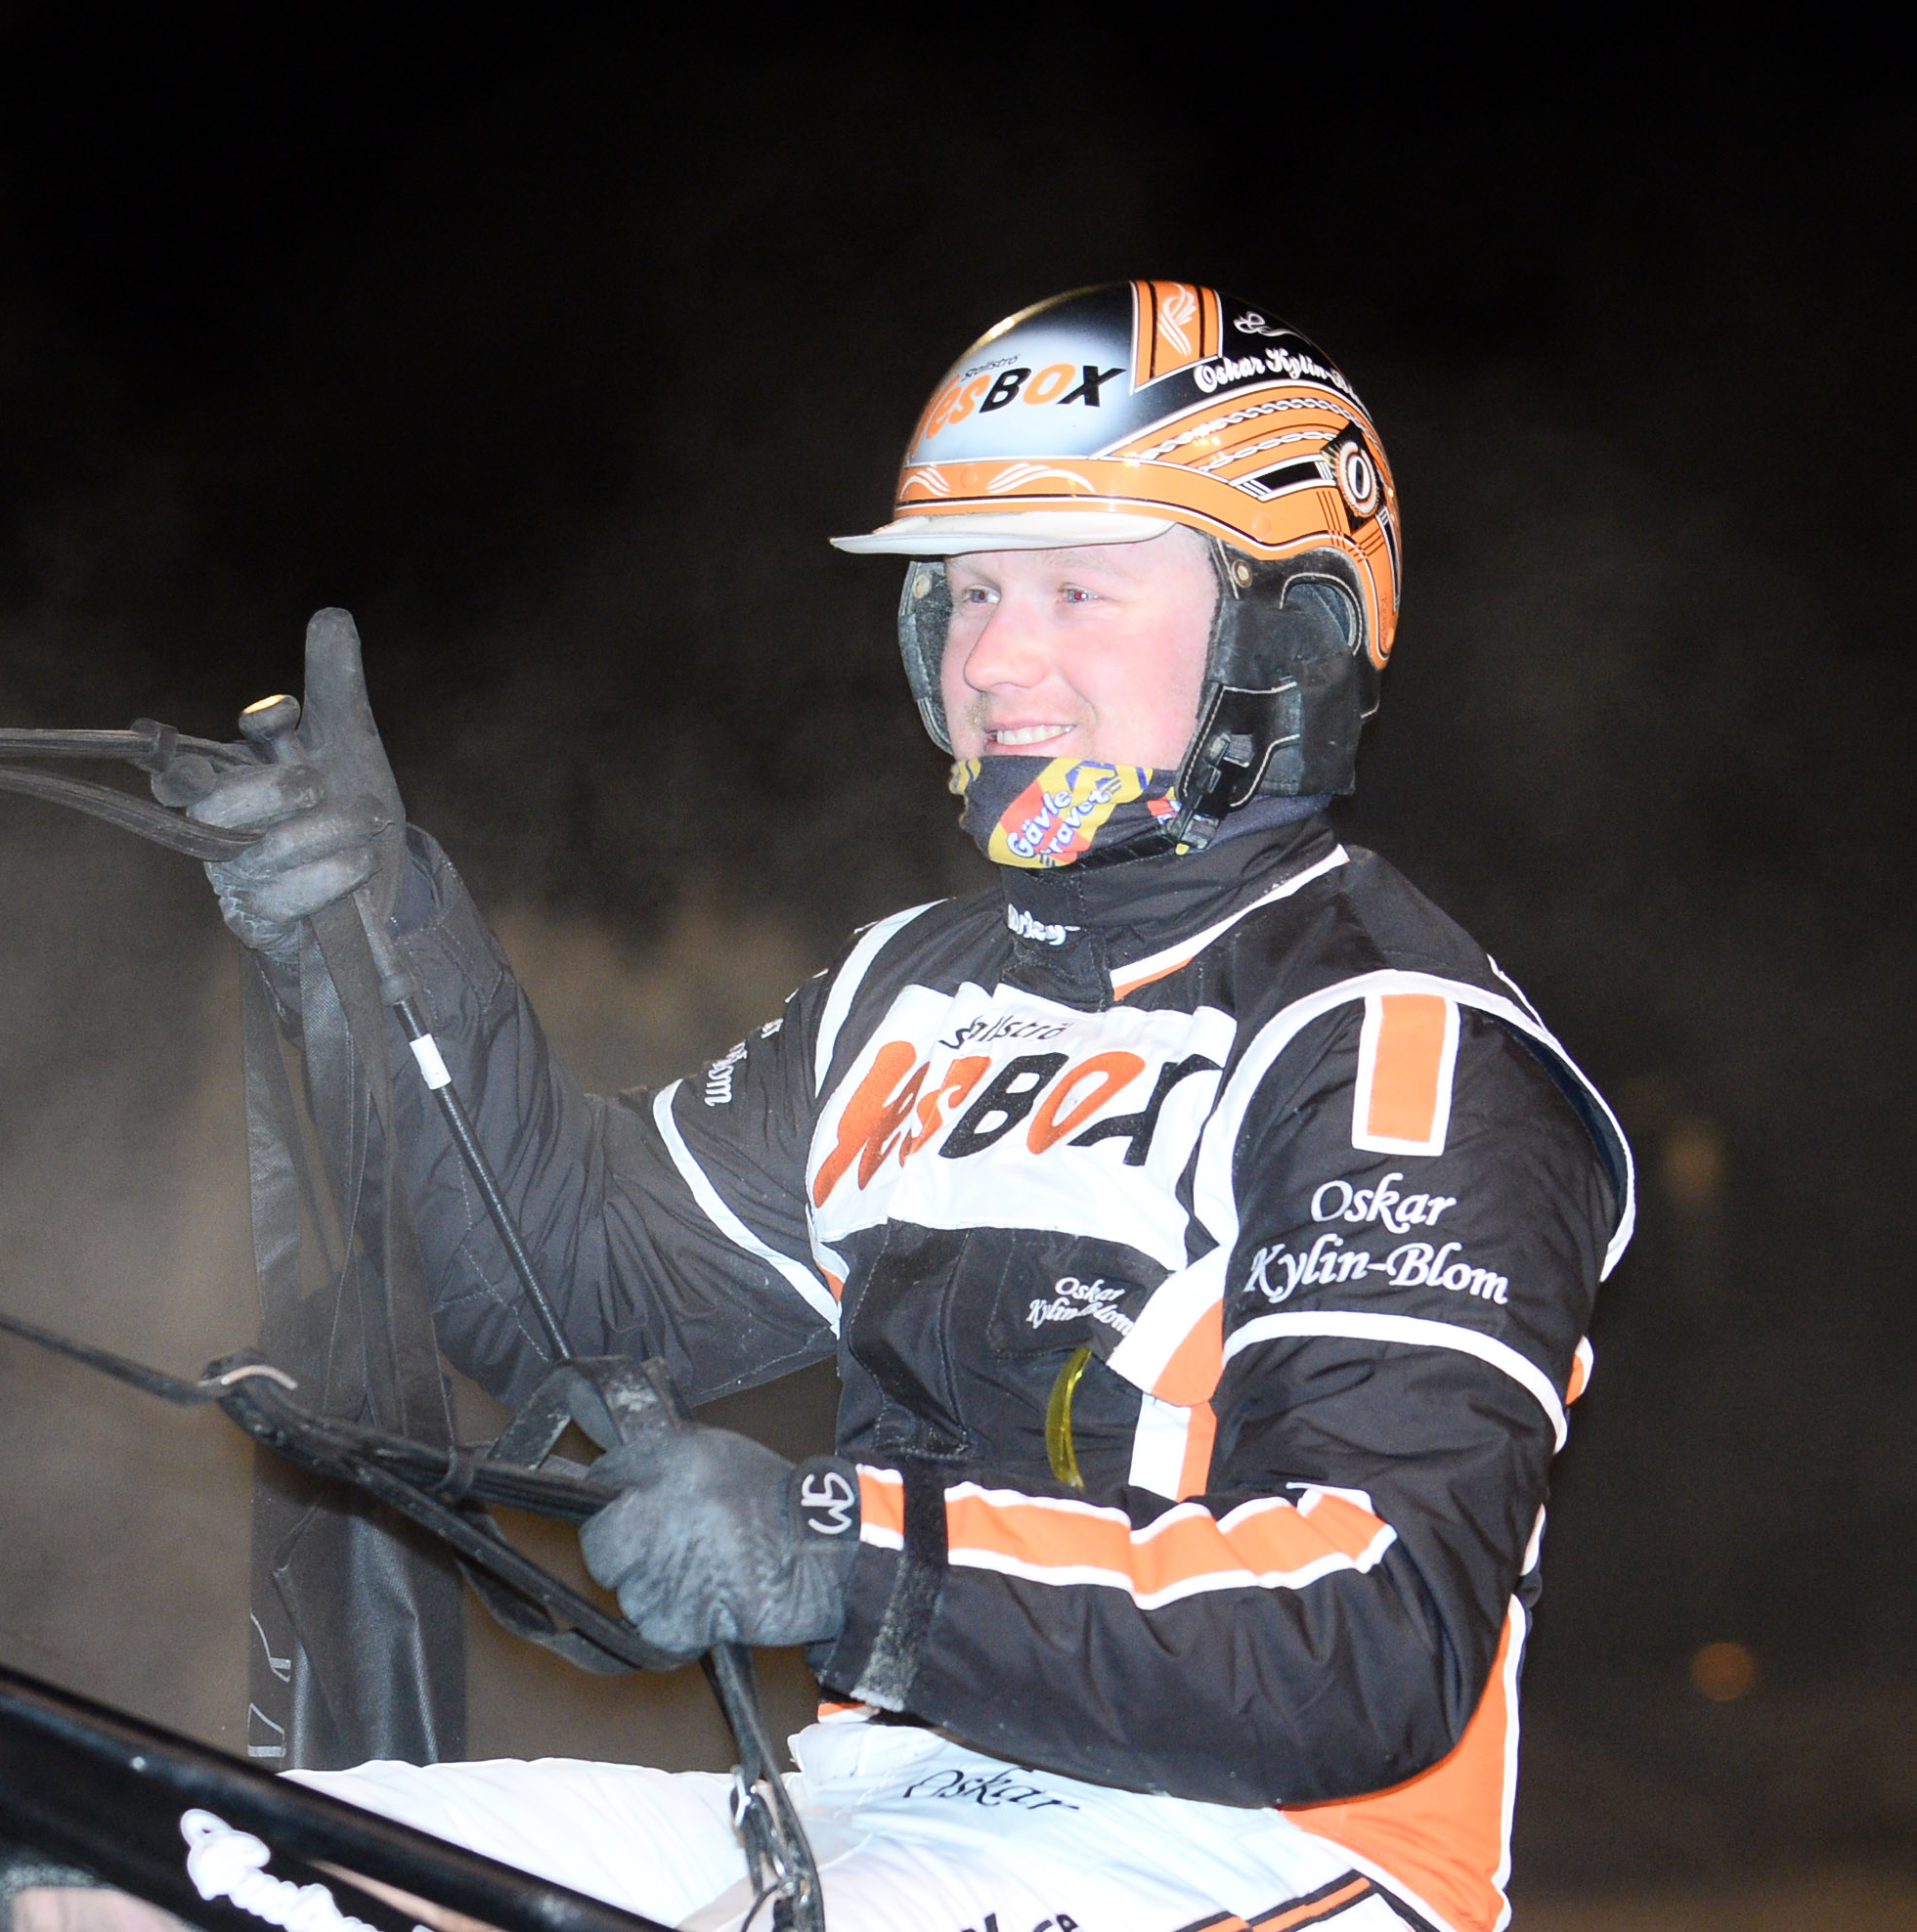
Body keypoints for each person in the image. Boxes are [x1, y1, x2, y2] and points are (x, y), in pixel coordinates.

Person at [184, 283, 1634, 1932]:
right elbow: (567, 1293)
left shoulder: (1400, 1045)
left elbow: (1369, 1637)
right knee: (168, 1858)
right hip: (875, 1803)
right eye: (967, 593)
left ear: (1289, 637)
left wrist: (841, 1548)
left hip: (1256, 1854)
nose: (993, 659)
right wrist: (381, 954)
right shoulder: (909, 988)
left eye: (1078, 588)